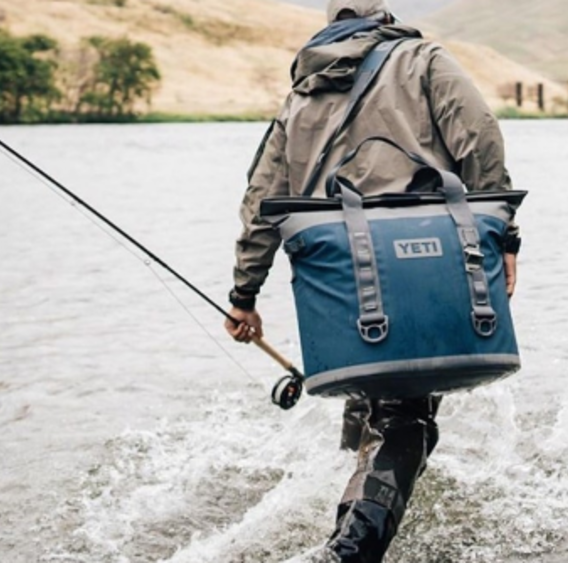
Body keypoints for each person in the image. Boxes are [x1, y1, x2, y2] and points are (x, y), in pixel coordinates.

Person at [224, 0, 520, 561]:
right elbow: (479, 140)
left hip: (341, 284)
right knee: (406, 410)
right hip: (424, 262)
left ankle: (352, 501)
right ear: (382, 16)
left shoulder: (301, 93)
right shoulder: (423, 59)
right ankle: (352, 548)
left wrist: (244, 295)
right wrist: (502, 238)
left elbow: (261, 201)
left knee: (369, 386)